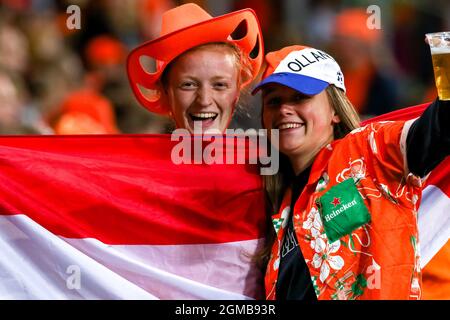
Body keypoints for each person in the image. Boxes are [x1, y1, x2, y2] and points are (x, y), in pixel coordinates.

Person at [252, 45, 449, 299]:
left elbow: (440, 127)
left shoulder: (368, 150)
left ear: (335, 109)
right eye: (273, 101)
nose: (284, 110)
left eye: (300, 97)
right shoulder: (277, 204)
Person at [127, 3, 264, 134]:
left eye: (219, 85)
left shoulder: (262, 156)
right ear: (165, 90)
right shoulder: (134, 158)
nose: (204, 100)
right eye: (188, 85)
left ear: (236, 91)